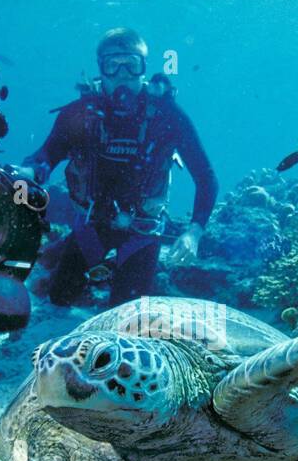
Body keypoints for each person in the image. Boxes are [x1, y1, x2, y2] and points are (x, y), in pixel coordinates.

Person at [23, 28, 217, 307]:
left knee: (126, 313)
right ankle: (67, 257)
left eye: (131, 64)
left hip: (143, 233)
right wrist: (29, 174)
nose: (123, 74)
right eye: (112, 65)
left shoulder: (168, 116)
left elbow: (206, 177)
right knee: (60, 298)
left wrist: (194, 232)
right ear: (100, 69)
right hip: (89, 227)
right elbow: (45, 156)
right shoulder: (80, 113)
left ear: (144, 69)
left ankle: (104, 271)